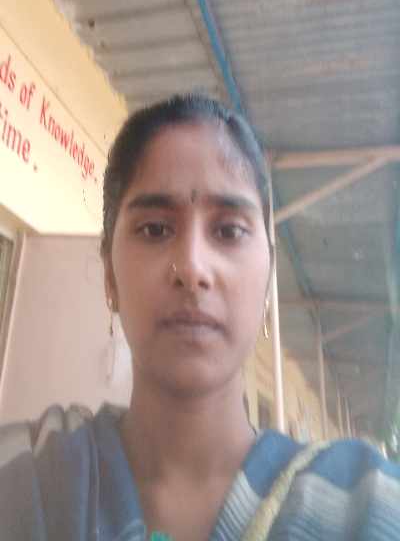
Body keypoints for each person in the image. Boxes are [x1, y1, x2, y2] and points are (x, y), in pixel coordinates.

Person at [1, 93, 399, 540]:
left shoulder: (365, 506)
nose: (192, 268)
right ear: (109, 275)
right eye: (155, 229)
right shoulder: (25, 481)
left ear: (267, 279)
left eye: (229, 231)